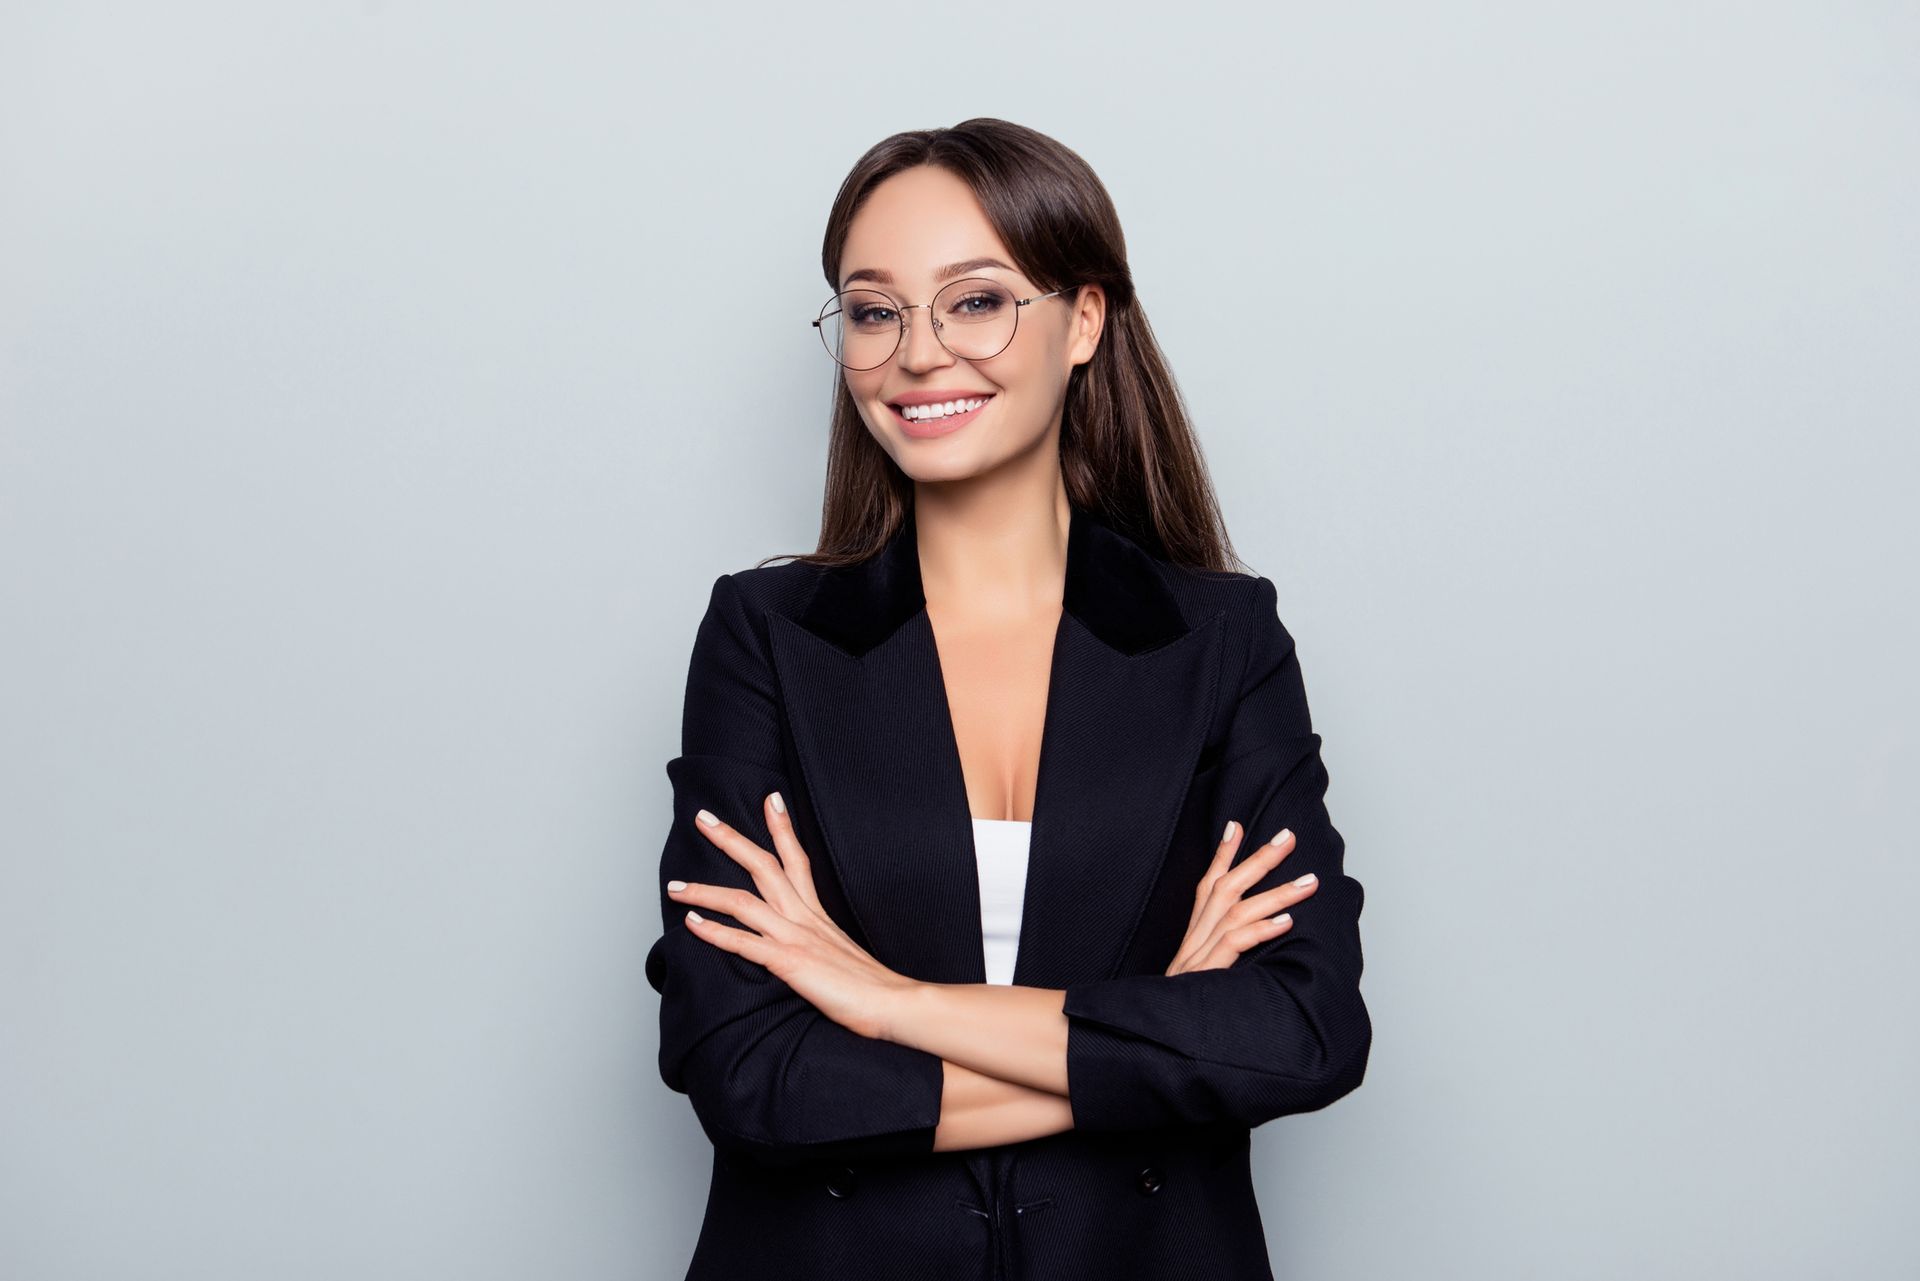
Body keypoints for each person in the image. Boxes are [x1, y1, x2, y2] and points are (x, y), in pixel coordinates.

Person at [644, 118, 1370, 1281]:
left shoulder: (1221, 643)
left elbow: (1302, 1032)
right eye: (874, 311)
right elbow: (747, 1072)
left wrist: (884, 1003)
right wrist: (1150, 1033)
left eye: (976, 301)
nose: (916, 353)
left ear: (1083, 320)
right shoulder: (765, 639)